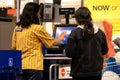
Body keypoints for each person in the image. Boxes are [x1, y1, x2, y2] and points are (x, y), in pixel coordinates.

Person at [11, 2, 66, 80]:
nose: (40, 15)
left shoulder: (17, 28)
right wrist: (60, 38)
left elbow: (13, 47)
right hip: (34, 66)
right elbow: (50, 43)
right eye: (39, 13)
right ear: (34, 14)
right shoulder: (38, 28)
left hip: (20, 66)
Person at [65, 7, 108, 80]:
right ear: (90, 18)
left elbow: (69, 53)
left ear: (77, 20)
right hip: (96, 73)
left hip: (79, 73)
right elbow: (104, 51)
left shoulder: (75, 33)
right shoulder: (100, 33)